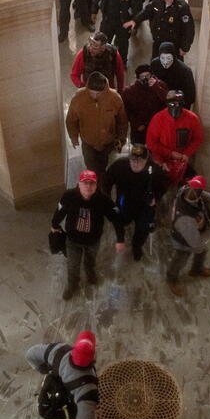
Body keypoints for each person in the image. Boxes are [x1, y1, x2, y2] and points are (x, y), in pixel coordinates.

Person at [51, 170, 126, 299]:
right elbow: (60, 211)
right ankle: (72, 284)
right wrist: (54, 224)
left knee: (90, 261)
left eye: (91, 183)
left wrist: (120, 239)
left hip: (93, 241)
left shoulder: (103, 200)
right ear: (79, 184)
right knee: (73, 265)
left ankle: (90, 274)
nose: (88, 186)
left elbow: (116, 218)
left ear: (96, 185)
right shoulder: (69, 196)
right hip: (73, 240)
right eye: (85, 183)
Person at [26, 332, 100, 419]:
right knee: (76, 415)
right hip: (72, 405)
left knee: (64, 407)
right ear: (93, 355)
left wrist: (43, 369)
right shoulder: (88, 389)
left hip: (58, 399)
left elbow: (30, 353)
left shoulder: (59, 350)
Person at [166, 176, 210, 296]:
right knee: (180, 260)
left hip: (196, 231)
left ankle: (196, 269)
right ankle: (171, 279)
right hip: (184, 241)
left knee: (202, 251)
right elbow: (197, 243)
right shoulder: (184, 219)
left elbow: (203, 194)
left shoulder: (185, 189)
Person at [65, 71, 128, 189]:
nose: (94, 96)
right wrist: (73, 137)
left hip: (109, 143)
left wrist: (121, 139)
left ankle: (103, 190)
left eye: (98, 93)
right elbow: (71, 120)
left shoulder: (114, 98)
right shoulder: (78, 98)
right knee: (93, 171)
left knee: (107, 169)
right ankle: (99, 191)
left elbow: (122, 121)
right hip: (89, 143)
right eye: (91, 92)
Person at [106, 144, 168, 260]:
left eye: (139, 161)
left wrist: (156, 198)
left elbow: (164, 185)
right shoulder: (120, 165)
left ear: (146, 160)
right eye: (133, 160)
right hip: (125, 203)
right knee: (120, 221)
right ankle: (122, 237)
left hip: (144, 205)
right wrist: (109, 200)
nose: (135, 163)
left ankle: (136, 246)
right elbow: (106, 182)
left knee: (143, 229)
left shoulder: (154, 170)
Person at [124, 0, 195, 61]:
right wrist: (135, 21)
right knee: (155, 64)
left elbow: (189, 29)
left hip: (173, 45)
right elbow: (146, 11)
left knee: (173, 68)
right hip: (158, 41)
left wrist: (185, 48)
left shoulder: (182, 8)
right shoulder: (158, 0)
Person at [146, 90, 204, 185]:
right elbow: (151, 143)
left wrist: (186, 153)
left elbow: (198, 138)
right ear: (167, 103)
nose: (176, 106)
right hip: (161, 160)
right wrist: (169, 154)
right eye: (173, 103)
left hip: (181, 161)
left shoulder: (192, 119)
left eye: (179, 103)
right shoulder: (158, 118)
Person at [91, 0, 143, 65]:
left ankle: (122, 63)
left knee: (122, 44)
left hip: (123, 22)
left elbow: (137, 8)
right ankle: (104, 62)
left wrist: (135, 25)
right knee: (104, 43)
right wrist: (94, 12)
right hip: (107, 19)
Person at [121, 64, 167, 144]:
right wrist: (137, 124)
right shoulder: (130, 91)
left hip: (157, 126)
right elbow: (126, 111)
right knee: (139, 151)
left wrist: (156, 87)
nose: (146, 79)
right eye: (142, 77)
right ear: (138, 78)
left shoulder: (160, 85)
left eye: (148, 75)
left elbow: (167, 101)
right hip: (139, 128)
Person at [150, 42, 197, 109]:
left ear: (174, 56)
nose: (165, 62)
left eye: (168, 58)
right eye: (162, 58)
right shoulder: (154, 64)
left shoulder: (185, 71)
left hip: (176, 106)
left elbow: (190, 97)